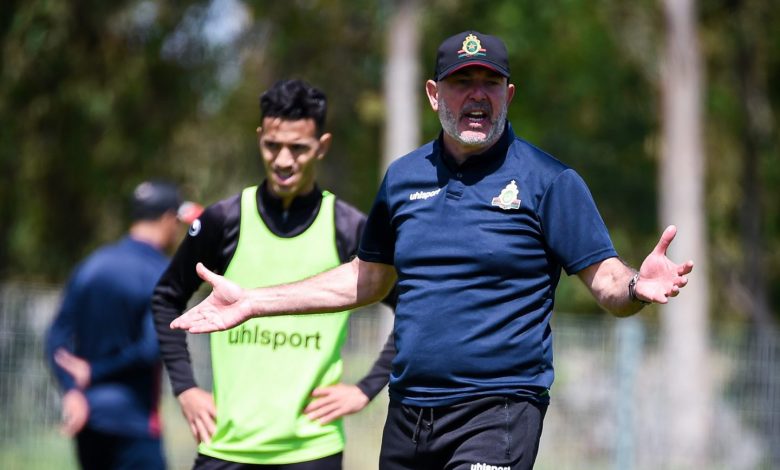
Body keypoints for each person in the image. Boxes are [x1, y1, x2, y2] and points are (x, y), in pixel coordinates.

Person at [170, 31, 694, 470]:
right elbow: (367, 280)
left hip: (500, 411)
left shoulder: (549, 180)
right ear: (432, 94)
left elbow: (604, 281)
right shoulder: (402, 179)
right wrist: (253, 301)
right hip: (410, 416)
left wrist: (635, 286)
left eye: (489, 82)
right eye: (461, 83)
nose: (476, 96)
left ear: (509, 93)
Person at [151, 79, 395, 470]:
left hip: (312, 450)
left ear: (322, 146)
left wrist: (365, 389)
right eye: (272, 145)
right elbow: (166, 297)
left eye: (298, 148)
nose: (283, 160)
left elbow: (414, 304)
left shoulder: (348, 228)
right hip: (225, 447)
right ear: (260, 138)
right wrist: (186, 389)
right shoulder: (224, 220)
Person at [45, 180, 202, 470]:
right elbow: (150, 349)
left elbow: (55, 338)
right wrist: (94, 371)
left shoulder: (92, 266)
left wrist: (72, 389)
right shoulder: (160, 274)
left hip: (89, 418)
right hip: (135, 422)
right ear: (169, 219)